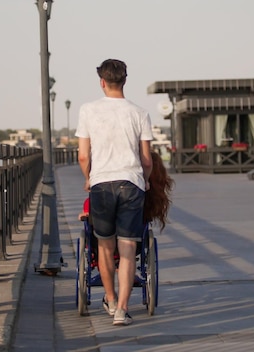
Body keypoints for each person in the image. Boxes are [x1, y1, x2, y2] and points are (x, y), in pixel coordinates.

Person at [76, 58, 153, 326]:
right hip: (131, 183)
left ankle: (109, 298)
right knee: (129, 247)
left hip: (101, 184)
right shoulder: (140, 113)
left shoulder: (88, 110)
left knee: (105, 248)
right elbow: (146, 160)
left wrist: (88, 179)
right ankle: (122, 309)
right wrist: (146, 180)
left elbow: (84, 156)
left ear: (102, 82)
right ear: (125, 81)